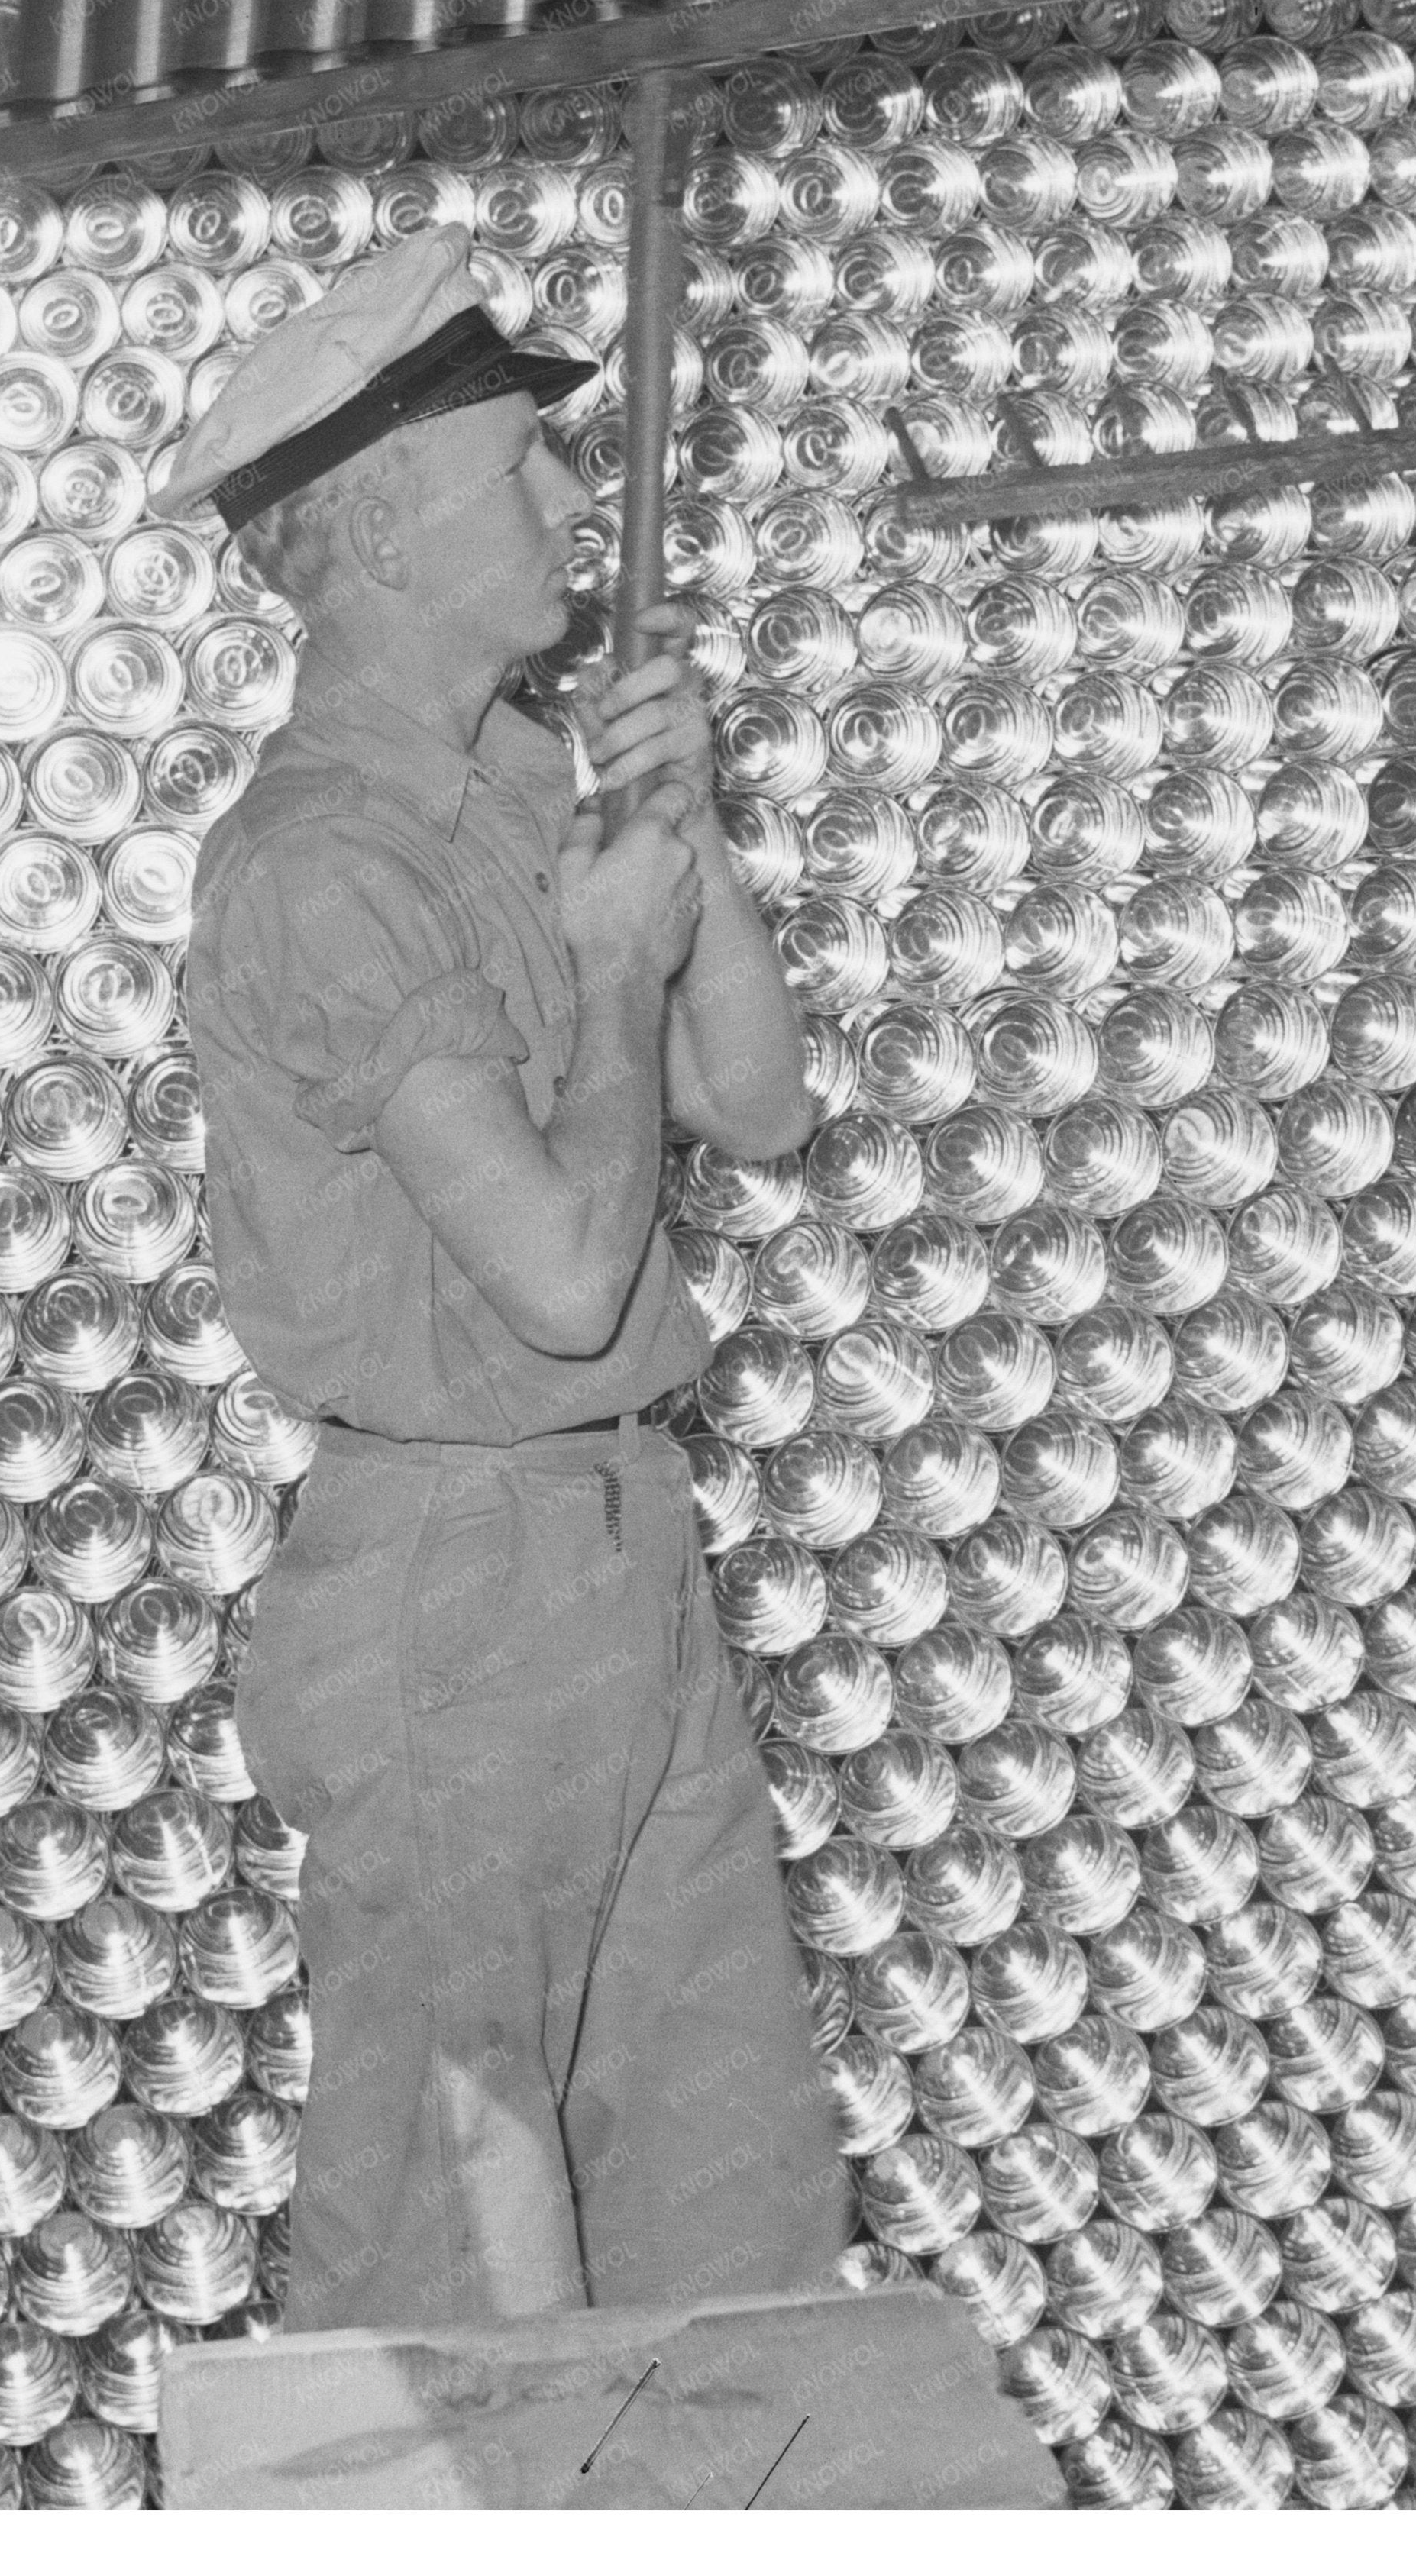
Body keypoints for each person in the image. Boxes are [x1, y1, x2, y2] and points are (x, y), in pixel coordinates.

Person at [161, 226, 851, 2334]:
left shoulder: (532, 778)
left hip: (611, 1548)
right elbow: (560, 1269)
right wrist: (620, 961)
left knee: (714, 2211)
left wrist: (688, 840)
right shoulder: (322, 868)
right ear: (376, 525)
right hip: (456, 1589)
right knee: (454, 2264)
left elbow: (764, 1112)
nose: (574, 505)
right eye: (522, 469)